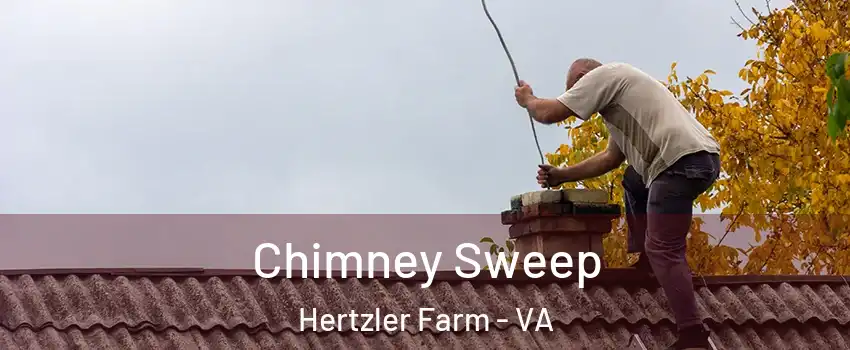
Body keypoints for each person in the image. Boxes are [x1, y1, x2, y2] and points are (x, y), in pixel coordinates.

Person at [513, 58, 721, 350]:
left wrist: (529, 100)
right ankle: (649, 264)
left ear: (585, 77)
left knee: (664, 248)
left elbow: (550, 113)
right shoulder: (621, 101)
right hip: (700, 159)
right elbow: (610, 159)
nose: (580, 98)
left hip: (678, 163)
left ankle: (692, 335)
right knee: (634, 179)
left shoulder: (606, 75)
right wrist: (562, 175)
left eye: (576, 89)